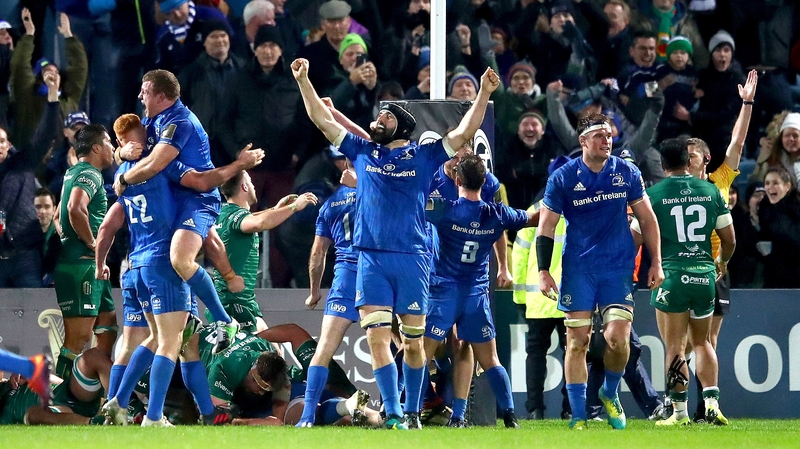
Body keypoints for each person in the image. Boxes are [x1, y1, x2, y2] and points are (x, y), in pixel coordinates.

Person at [292, 56, 500, 429]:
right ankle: (393, 414)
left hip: (413, 260)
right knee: (376, 341)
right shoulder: (362, 151)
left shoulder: (425, 155)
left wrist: (483, 92)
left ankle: (413, 411)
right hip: (371, 260)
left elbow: (464, 129)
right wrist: (303, 80)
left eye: (386, 115)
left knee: (416, 344)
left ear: (401, 126)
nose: (379, 118)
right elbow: (321, 121)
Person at [537, 112, 664, 430]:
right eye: (599, 136)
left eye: (609, 136)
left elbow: (647, 219)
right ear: (583, 141)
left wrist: (657, 263)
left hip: (616, 268)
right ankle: (579, 415)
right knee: (577, 341)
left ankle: (610, 392)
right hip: (579, 269)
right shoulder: (563, 177)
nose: (607, 140)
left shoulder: (627, 172)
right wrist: (542, 270)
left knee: (618, 340)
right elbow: (547, 226)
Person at [113, 69, 239, 353]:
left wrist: (122, 178)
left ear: (159, 95)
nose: (139, 96)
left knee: (180, 260)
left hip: (198, 198)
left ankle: (224, 320)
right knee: (174, 343)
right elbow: (125, 148)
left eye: (144, 92)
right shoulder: (152, 120)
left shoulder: (180, 122)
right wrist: (121, 154)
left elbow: (158, 164)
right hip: (176, 200)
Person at [424, 154, 537, 428]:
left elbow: (409, 207)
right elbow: (533, 219)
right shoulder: (497, 214)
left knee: (419, 354)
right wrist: (563, 206)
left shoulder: (444, 209)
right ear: (484, 181)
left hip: (444, 292)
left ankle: (410, 413)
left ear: (457, 179)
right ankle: (509, 415)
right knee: (490, 360)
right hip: (475, 295)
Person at [632, 137, 734, 426]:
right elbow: (730, 240)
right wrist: (721, 262)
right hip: (704, 275)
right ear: (689, 162)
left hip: (671, 275)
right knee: (702, 342)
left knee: (675, 347)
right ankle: (712, 404)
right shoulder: (710, 191)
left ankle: (679, 414)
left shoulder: (653, 195)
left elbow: (634, 239)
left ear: (662, 165)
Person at [684, 69, 756, 420]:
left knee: (708, 342)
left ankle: (705, 407)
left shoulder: (719, 182)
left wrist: (747, 104)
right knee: (682, 345)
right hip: (681, 269)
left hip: (715, 269)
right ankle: (677, 405)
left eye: (691, 154)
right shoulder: (672, 189)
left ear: (705, 159)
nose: (686, 159)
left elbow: (738, 144)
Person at [212, 170, 318, 333]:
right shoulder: (239, 216)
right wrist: (294, 207)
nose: (254, 186)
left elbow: (253, 218)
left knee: (274, 354)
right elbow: (259, 223)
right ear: (244, 187)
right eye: (251, 183)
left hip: (236, 299)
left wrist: (276, 209)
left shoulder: (224, 213)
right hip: (236, 301)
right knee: (264, 356)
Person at [54, 124, 117, 379]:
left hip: (92, 267)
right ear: (96, 148)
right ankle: (57, 401)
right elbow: (74, 209)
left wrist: (72, 241)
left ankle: (94, 393)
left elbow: (58, 216)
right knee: (77, 341)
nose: (112, 147)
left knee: (108, 327)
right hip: (82, 267)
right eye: (109, 142)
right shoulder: (90, 174)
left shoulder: (72, 173)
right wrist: (92, 244)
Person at [511, 157, 571, 420]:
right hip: (570, 297)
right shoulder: (576, 212)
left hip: (538, 298)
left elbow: (520, 259)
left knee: (535, 355)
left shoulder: (533, 212)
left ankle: (535, 409)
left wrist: (521, 297)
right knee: (574, 353)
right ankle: (572, 409)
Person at [0, 71, 61, 288]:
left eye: (2, 141)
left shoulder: (23, 162)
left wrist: (53, 97)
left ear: (8, 145)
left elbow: (44, 136)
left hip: (25, 256)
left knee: (35, 315)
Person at [757, 167, 800, 288]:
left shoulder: (796, 210)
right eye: (767, 183)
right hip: (774, 275)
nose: (770, 187)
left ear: (787, 186)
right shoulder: (765, 209)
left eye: (776, 183)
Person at [35, 188, 61, 286]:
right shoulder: (24, 237)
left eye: (47, 207)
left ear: (54, 210)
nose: (42, 211)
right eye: (37, 207)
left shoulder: (60, 235)